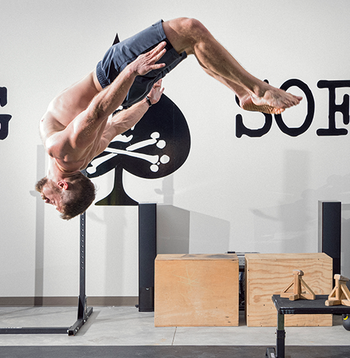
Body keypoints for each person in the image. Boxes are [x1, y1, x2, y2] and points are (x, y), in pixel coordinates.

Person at [37, 17, 302, 219]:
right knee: (190, 29)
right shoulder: (64, 151)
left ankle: (243, 93)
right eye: (53, 201)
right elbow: (99, 111)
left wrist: (147, 101)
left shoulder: (81, 155)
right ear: (63, 184)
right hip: (114, 75)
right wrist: (130, 72)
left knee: (192, 45)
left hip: (125, 87)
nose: (45, 200)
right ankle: (257, 90)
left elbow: (119, 123)